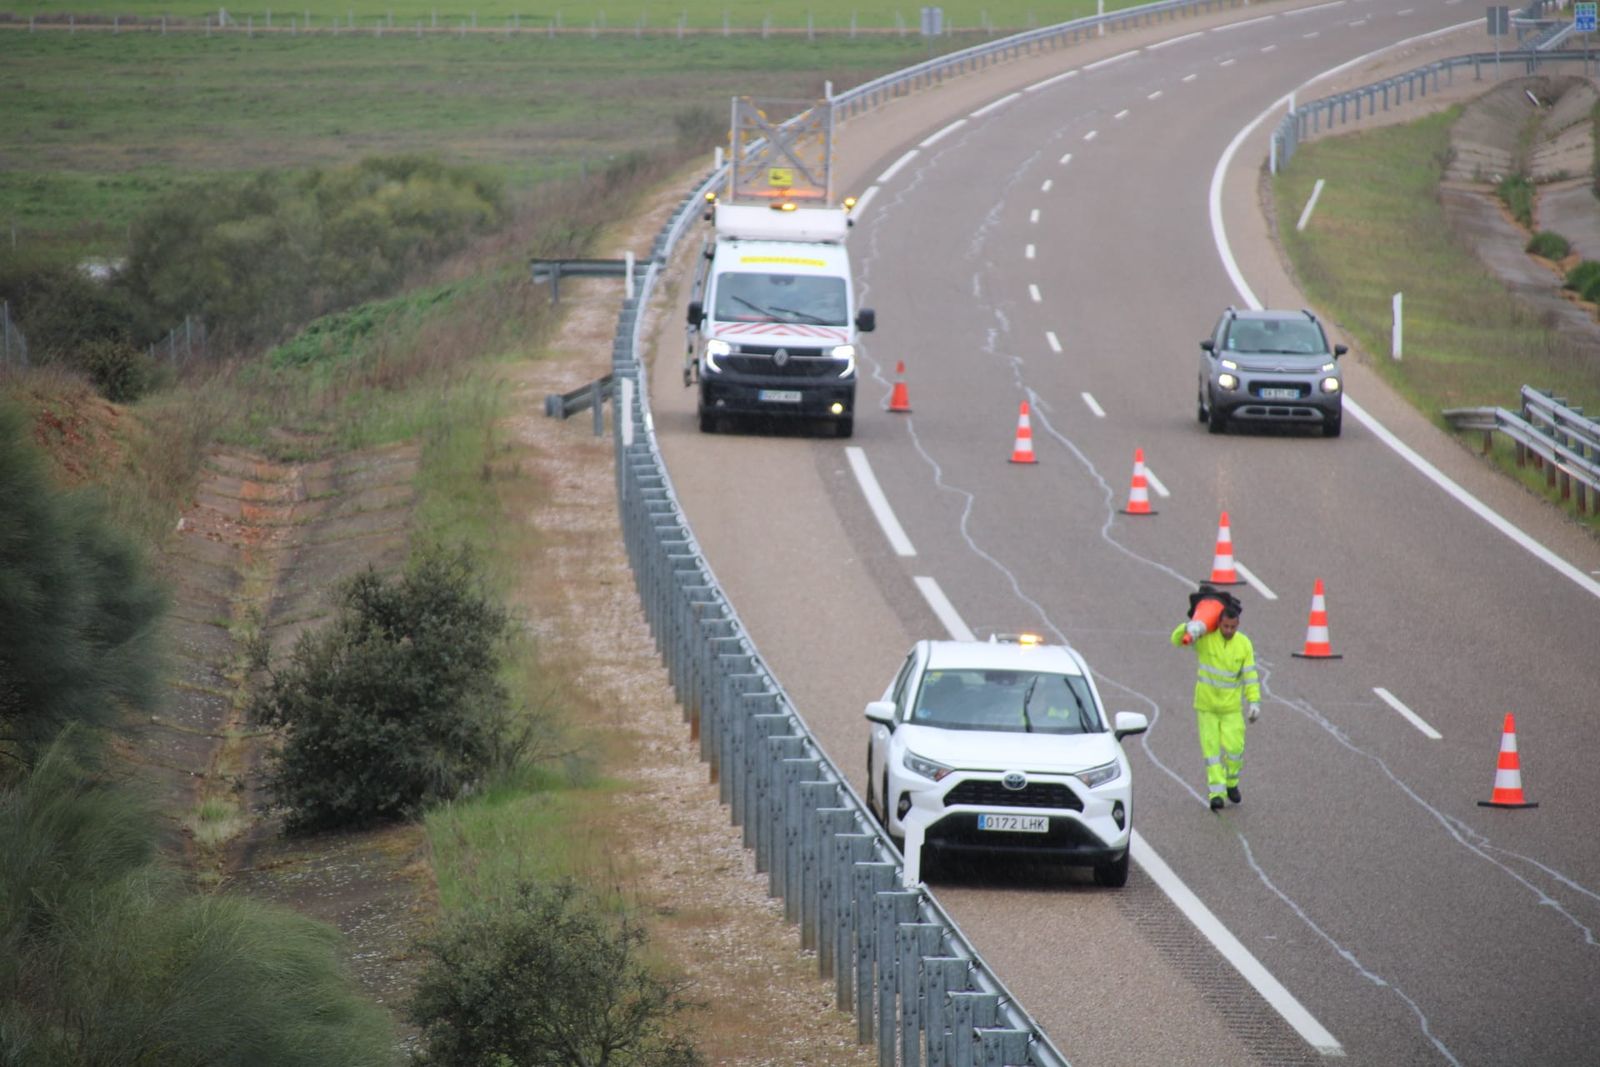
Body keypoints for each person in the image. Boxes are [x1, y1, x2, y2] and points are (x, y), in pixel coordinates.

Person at [1170, 595, 1260, 812]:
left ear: (1238, 625)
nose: (1229, 630)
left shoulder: (1244, 644)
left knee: (1235, 749)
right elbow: (1176, 640)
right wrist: (1187, 627)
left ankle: (1231, 782)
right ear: (1219, 623)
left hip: (1231, 709)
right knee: (1211, 753)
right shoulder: (1206, 639)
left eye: (1233, 627)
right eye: (1226, 626)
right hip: (1207, 707)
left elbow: (1249, 675)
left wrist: (1254, 701)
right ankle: (1216, 793)